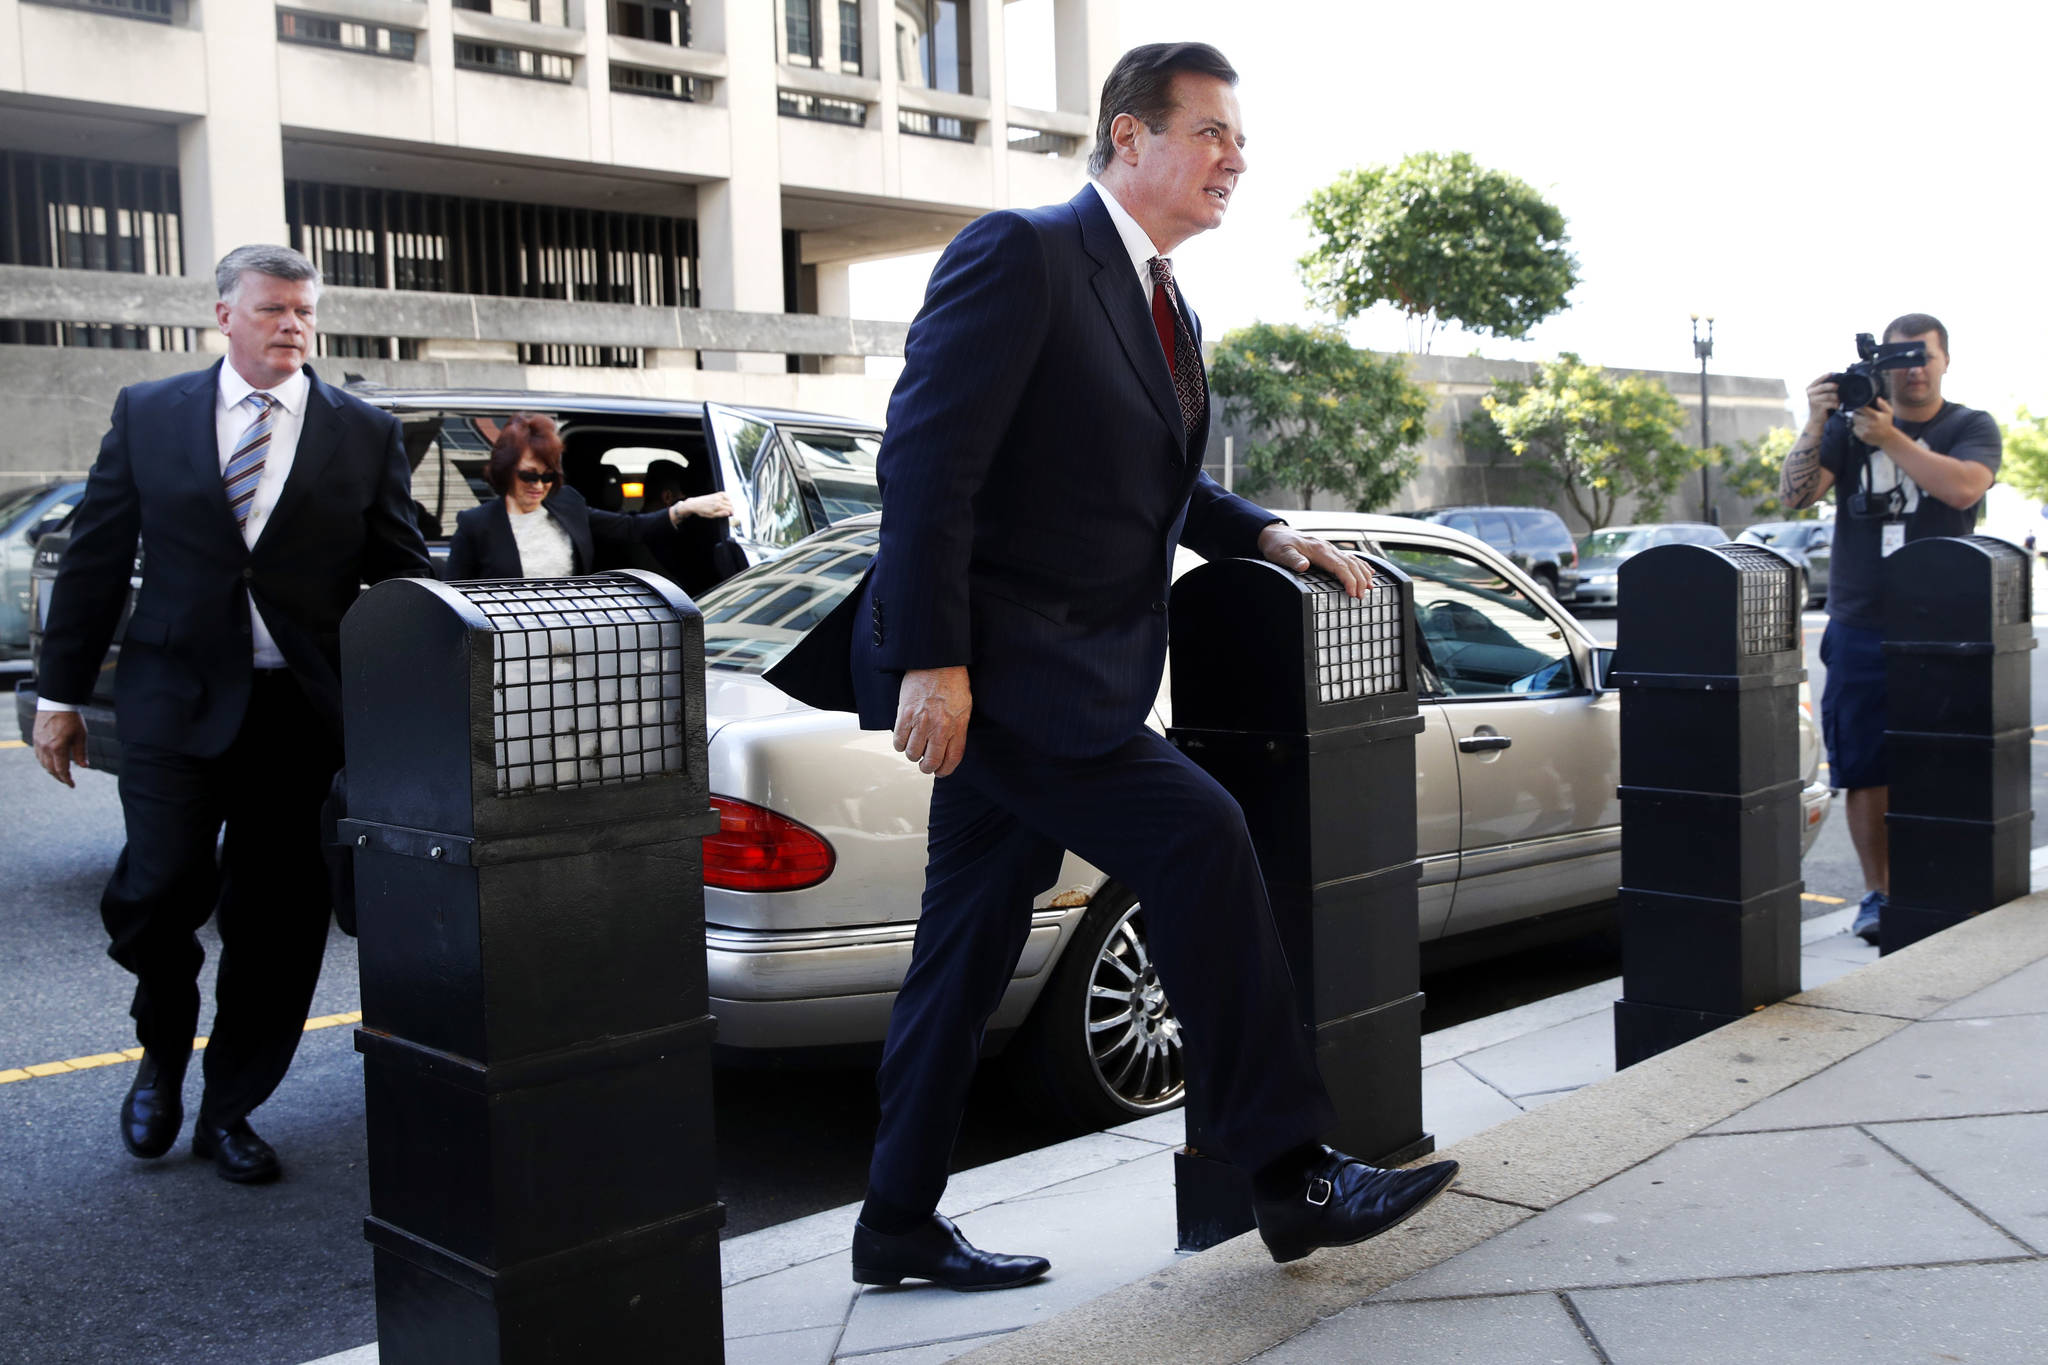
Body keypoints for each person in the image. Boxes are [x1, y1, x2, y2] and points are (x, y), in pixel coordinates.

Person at [766, 42, 1458, 1290]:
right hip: (1011, 675)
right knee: (1198, 831)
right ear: (1128, 136)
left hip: (1057, 679)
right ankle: (1289, 1173)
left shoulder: (1166, 300)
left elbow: (1142, 475)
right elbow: (925, 464)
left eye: (1238, 140)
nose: (1233, 158)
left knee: (965, 947)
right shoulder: (1020, 253)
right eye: (1209, 133)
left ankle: (894, 1220)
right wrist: (934, 661)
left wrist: (1256, 530)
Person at [31, 245, 434, 1182]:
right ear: (223, 315)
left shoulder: (363, 432)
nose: (291, 325)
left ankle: (230, 1105)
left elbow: (405, 572)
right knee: (156, 891)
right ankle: (163, 1046)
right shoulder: (150, 413)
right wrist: (59, 696)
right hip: (174, 701)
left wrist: (440, 680)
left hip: (299, 715)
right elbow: (94, 561)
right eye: (271, 309)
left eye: (303, 311)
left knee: (278, 922)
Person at [1780, 313, 2003, 945]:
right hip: (1860, 622)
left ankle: (1947, 880)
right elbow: (1795, 497)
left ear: (1945, 360)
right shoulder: (1849, 428)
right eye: (1899, 357)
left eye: (1922, 355)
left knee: (1948, 758)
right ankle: (1879, 893)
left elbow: (1962, 490)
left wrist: (1894, 439)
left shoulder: (1968, 425)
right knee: (1866, 766)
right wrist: (1818, 419)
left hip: (1945, 622)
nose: (1912, 367)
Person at [442, 415, 732, 580]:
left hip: (568, 644)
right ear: (505, 471)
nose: (539, 486)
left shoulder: (566, 503)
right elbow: (453, 604)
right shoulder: (476, 524)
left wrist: (687, 507)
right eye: (529, 476)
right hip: (505, 651)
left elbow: (629, 527)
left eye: (548, 476)